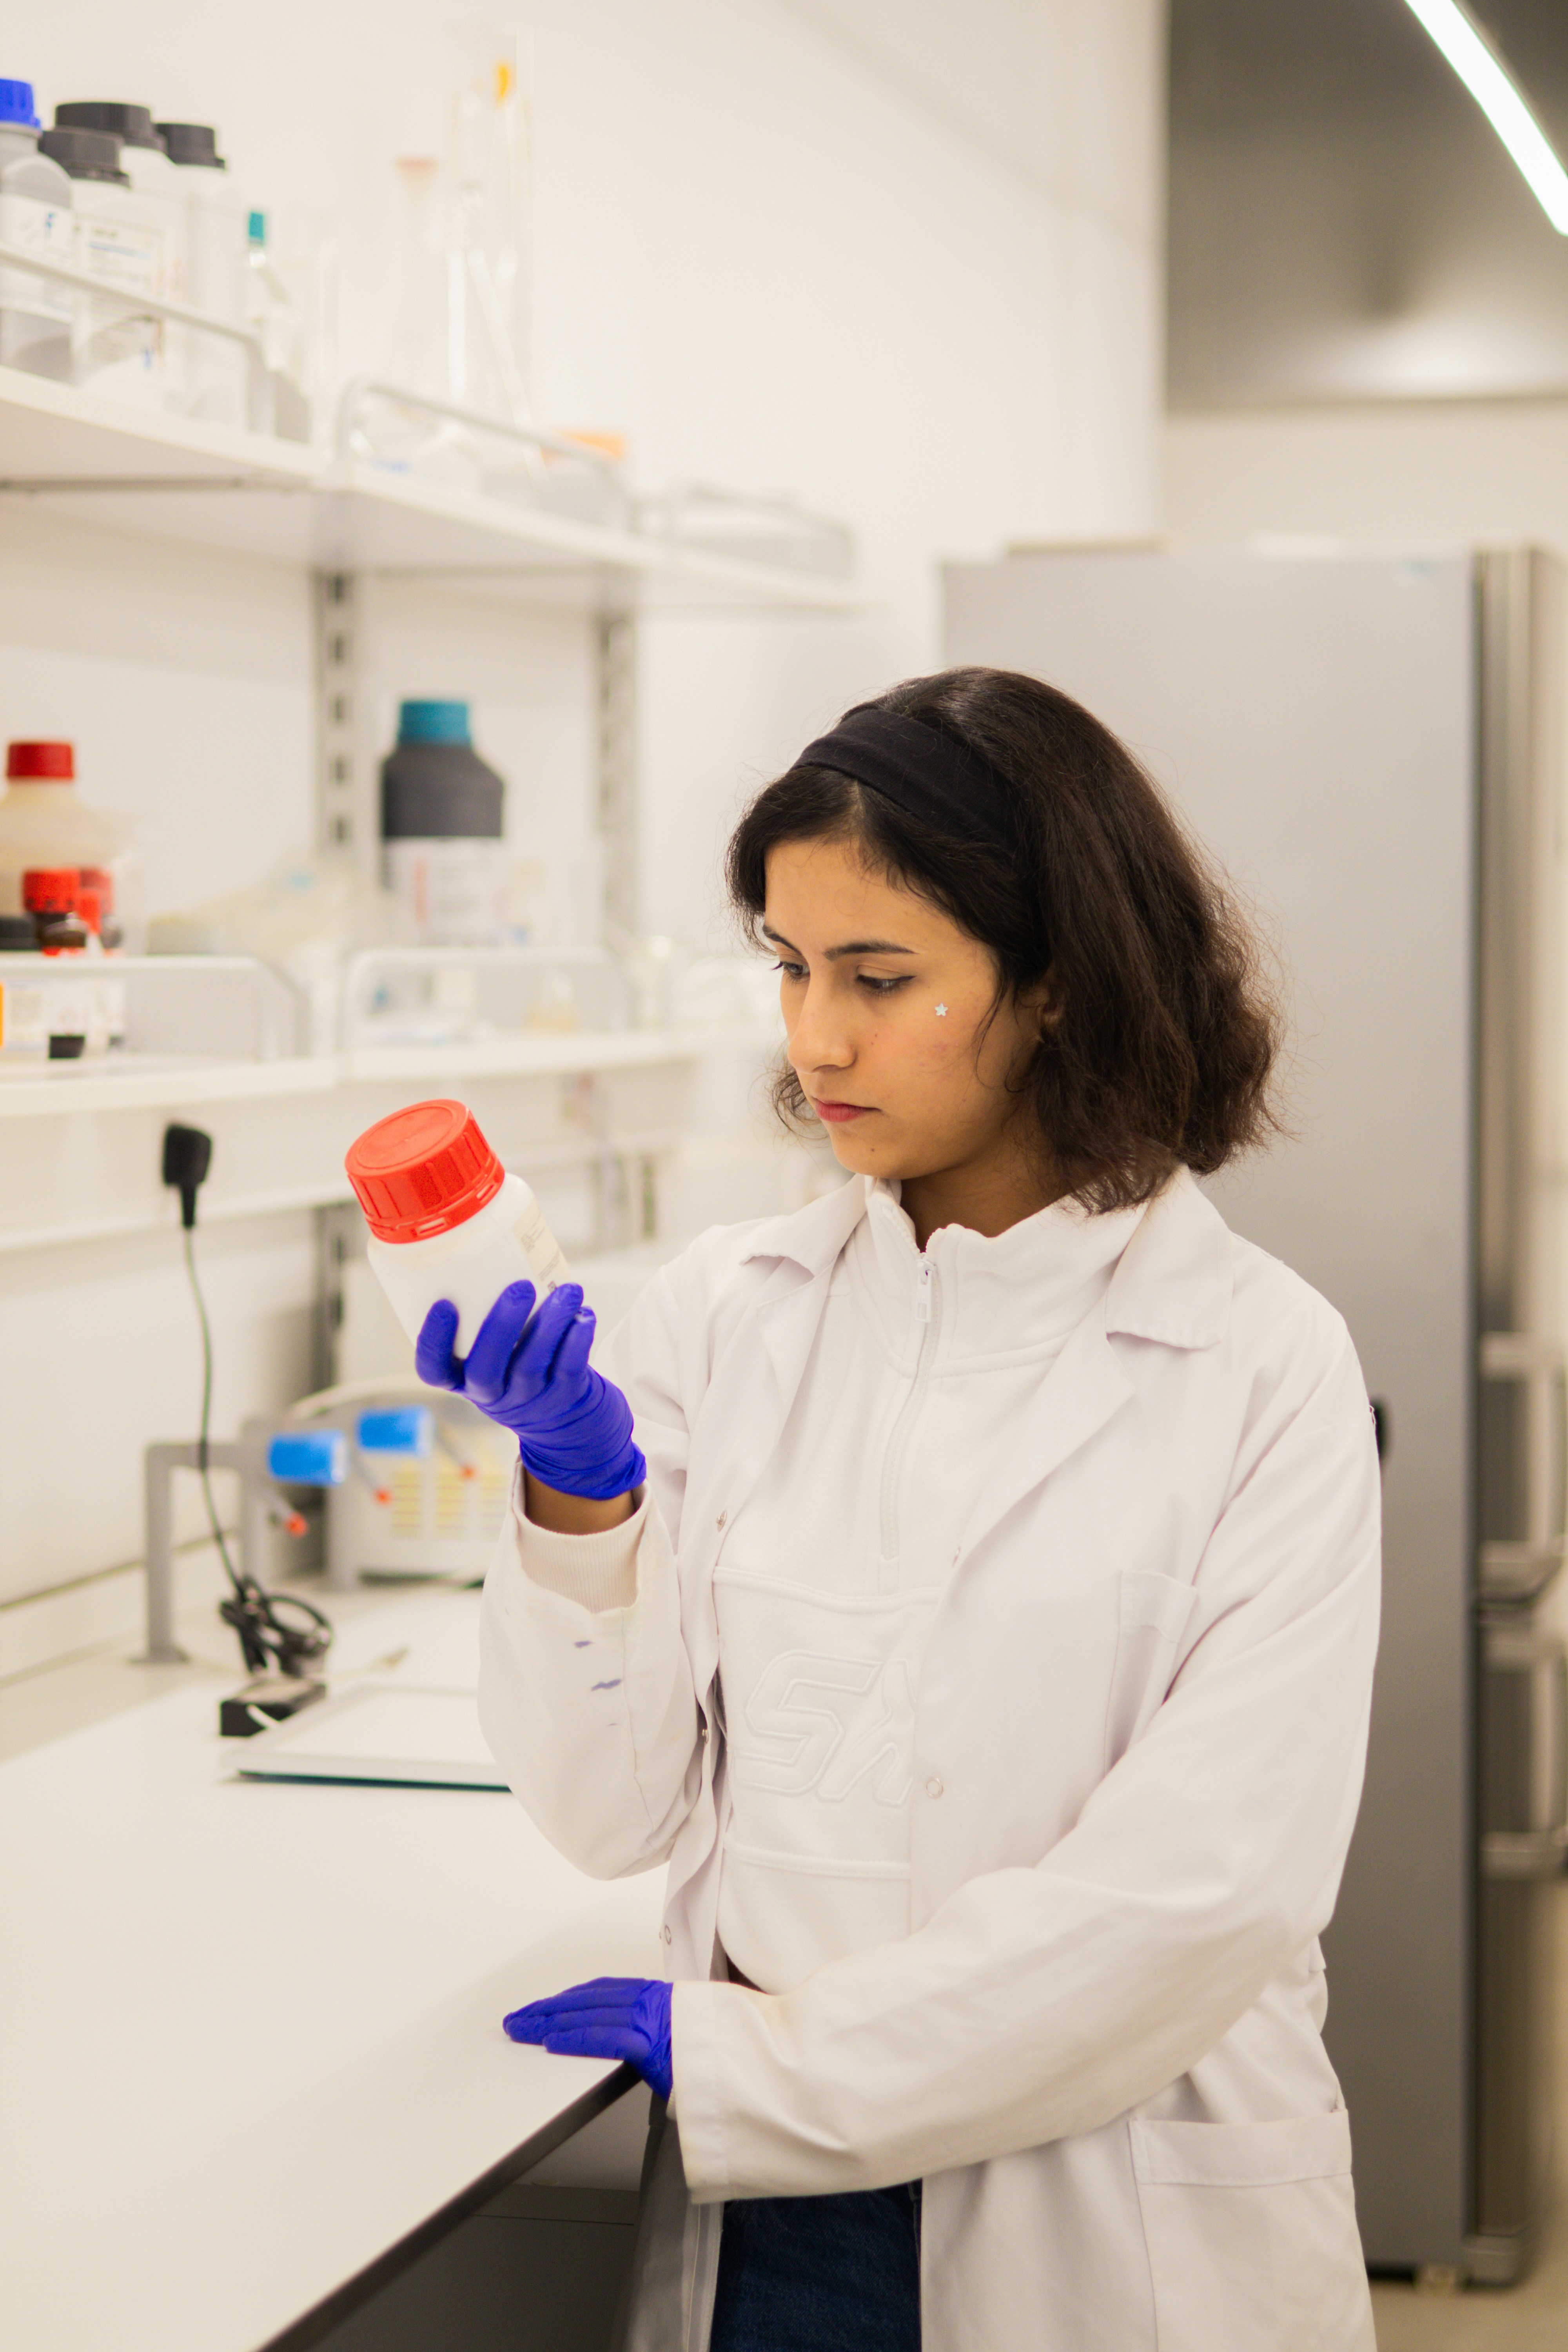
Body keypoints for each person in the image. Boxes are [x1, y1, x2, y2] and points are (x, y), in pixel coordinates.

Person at [417, 667, 1382, 2352]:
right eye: (791, 970)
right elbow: (607, 1813)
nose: (814, 1038)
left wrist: (772, 2065)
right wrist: (581, 1498)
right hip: (771, 2229)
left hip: (1098, 2205)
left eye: (880, 977)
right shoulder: (728, 1313)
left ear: (1060, 986)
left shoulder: (1258, 1365)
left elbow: (1198, 1898)